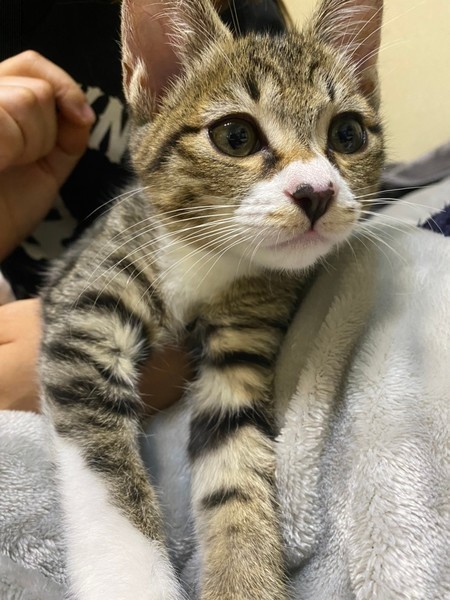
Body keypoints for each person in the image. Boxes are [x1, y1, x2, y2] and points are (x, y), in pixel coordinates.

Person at [0, 0, 288, 411]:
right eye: (236, 137)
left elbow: (272, 256)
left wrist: (168, 355)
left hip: (137, 328)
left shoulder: (248, 21)